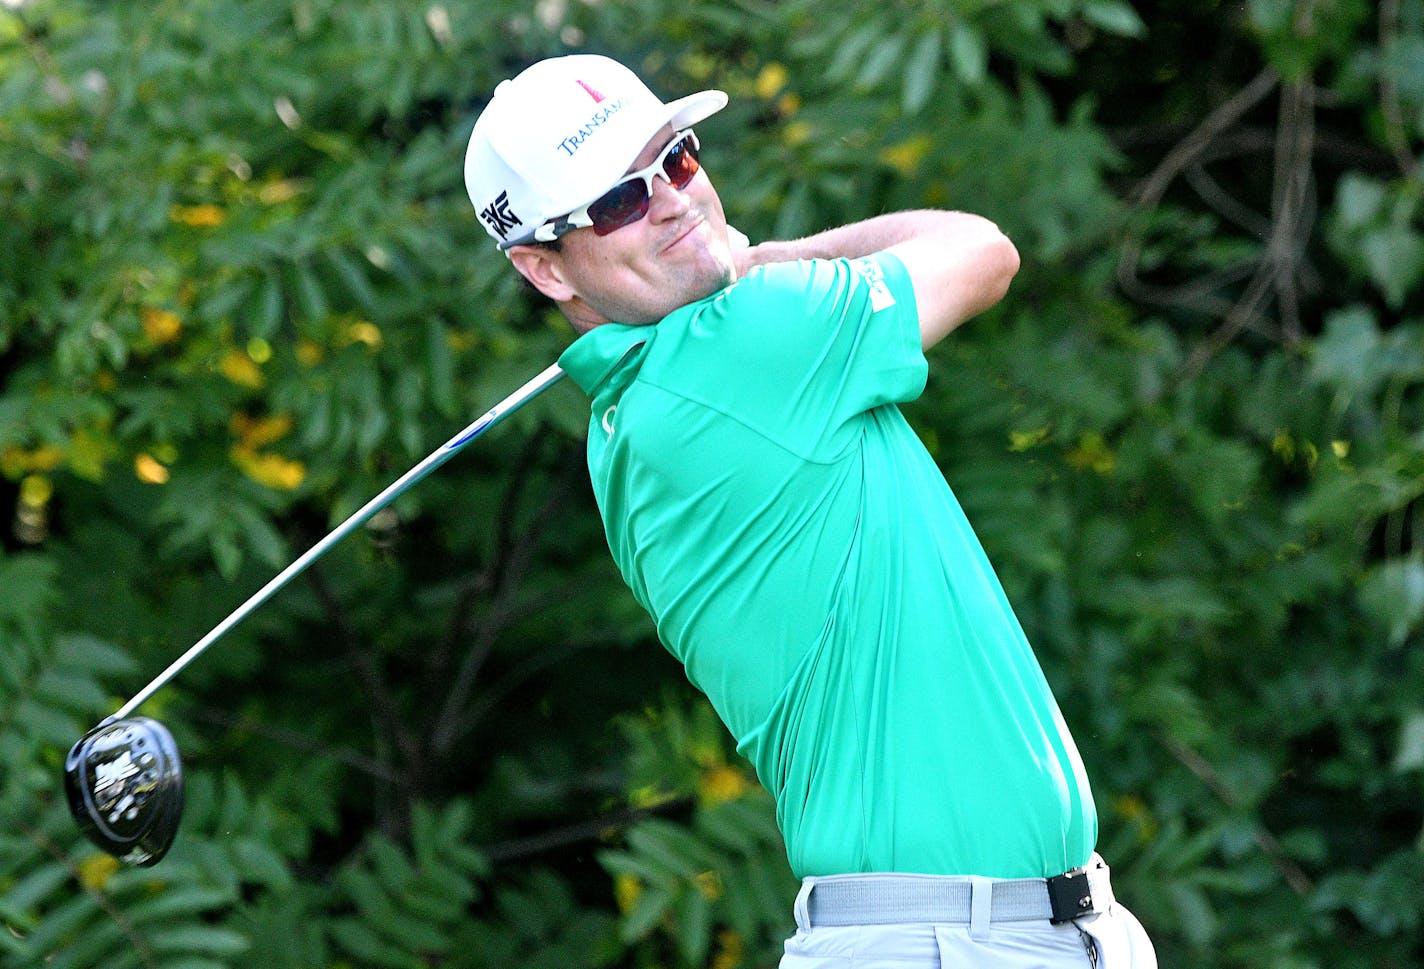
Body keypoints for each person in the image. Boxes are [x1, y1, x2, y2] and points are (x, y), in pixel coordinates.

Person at [464, 53, 1157, 968]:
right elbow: (984, 251)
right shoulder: (740, 348)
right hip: (948, 942)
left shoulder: (634, 421)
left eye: (676, 159)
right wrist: (780, 257)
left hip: (995, 931)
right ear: (546, 270)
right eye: (619, 201)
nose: (673, 199)